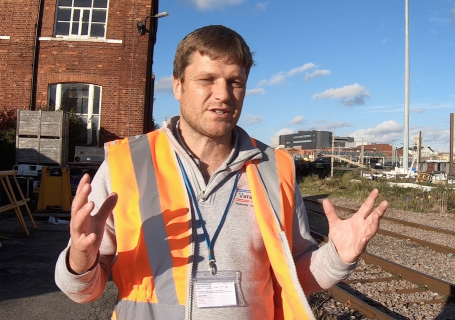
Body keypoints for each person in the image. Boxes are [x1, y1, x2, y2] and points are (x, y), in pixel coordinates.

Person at [55, 25, 388, 320]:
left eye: (235, 82)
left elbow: (296, 272)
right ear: (178, 86)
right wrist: (80, 259)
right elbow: (84, 291)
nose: (224, 95)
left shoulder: (275, 168)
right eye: (206, 80)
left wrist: (337, 256)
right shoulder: (127, 163)